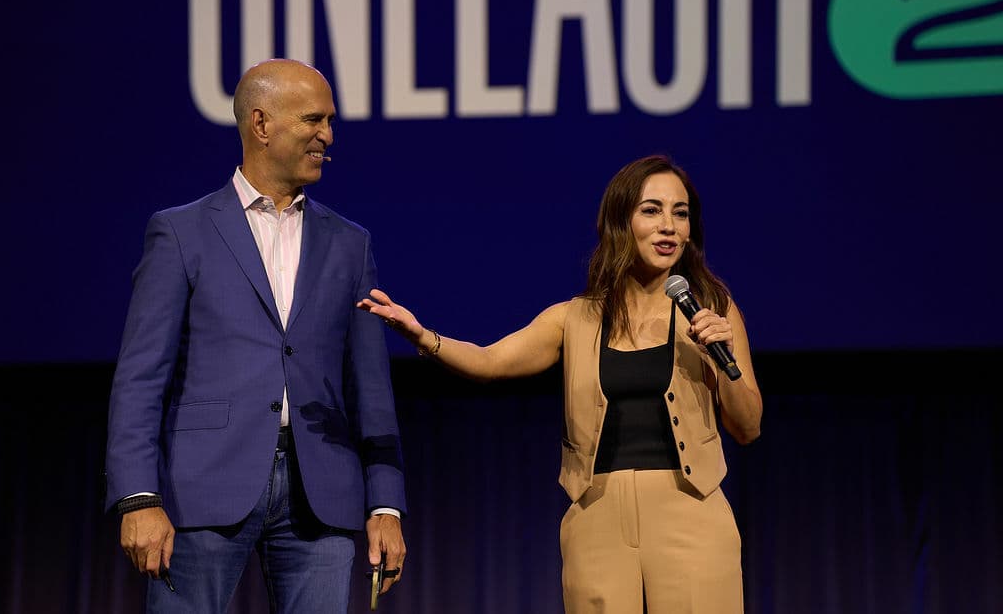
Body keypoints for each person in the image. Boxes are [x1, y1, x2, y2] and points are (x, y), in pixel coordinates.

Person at [358, 155, 762, 613]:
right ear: (620, 221)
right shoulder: (575, 318)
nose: (668, 225)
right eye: (651, 210)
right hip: (598, 520)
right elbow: (490, 361)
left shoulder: (712, 310)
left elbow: (748, 426)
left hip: (692, 512)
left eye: (680, 213)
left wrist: (718, 359)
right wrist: (425, 337)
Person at [105, 58, 407, 613]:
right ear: (261, 124)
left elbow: (372, 389)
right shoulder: (180, 232)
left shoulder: (349, 243)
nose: (328, 136)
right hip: (203, 488)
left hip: (322, 497)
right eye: (313, 120)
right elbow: (140, 379)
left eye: (330, 121)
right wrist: (137, 497)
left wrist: (385, 503)